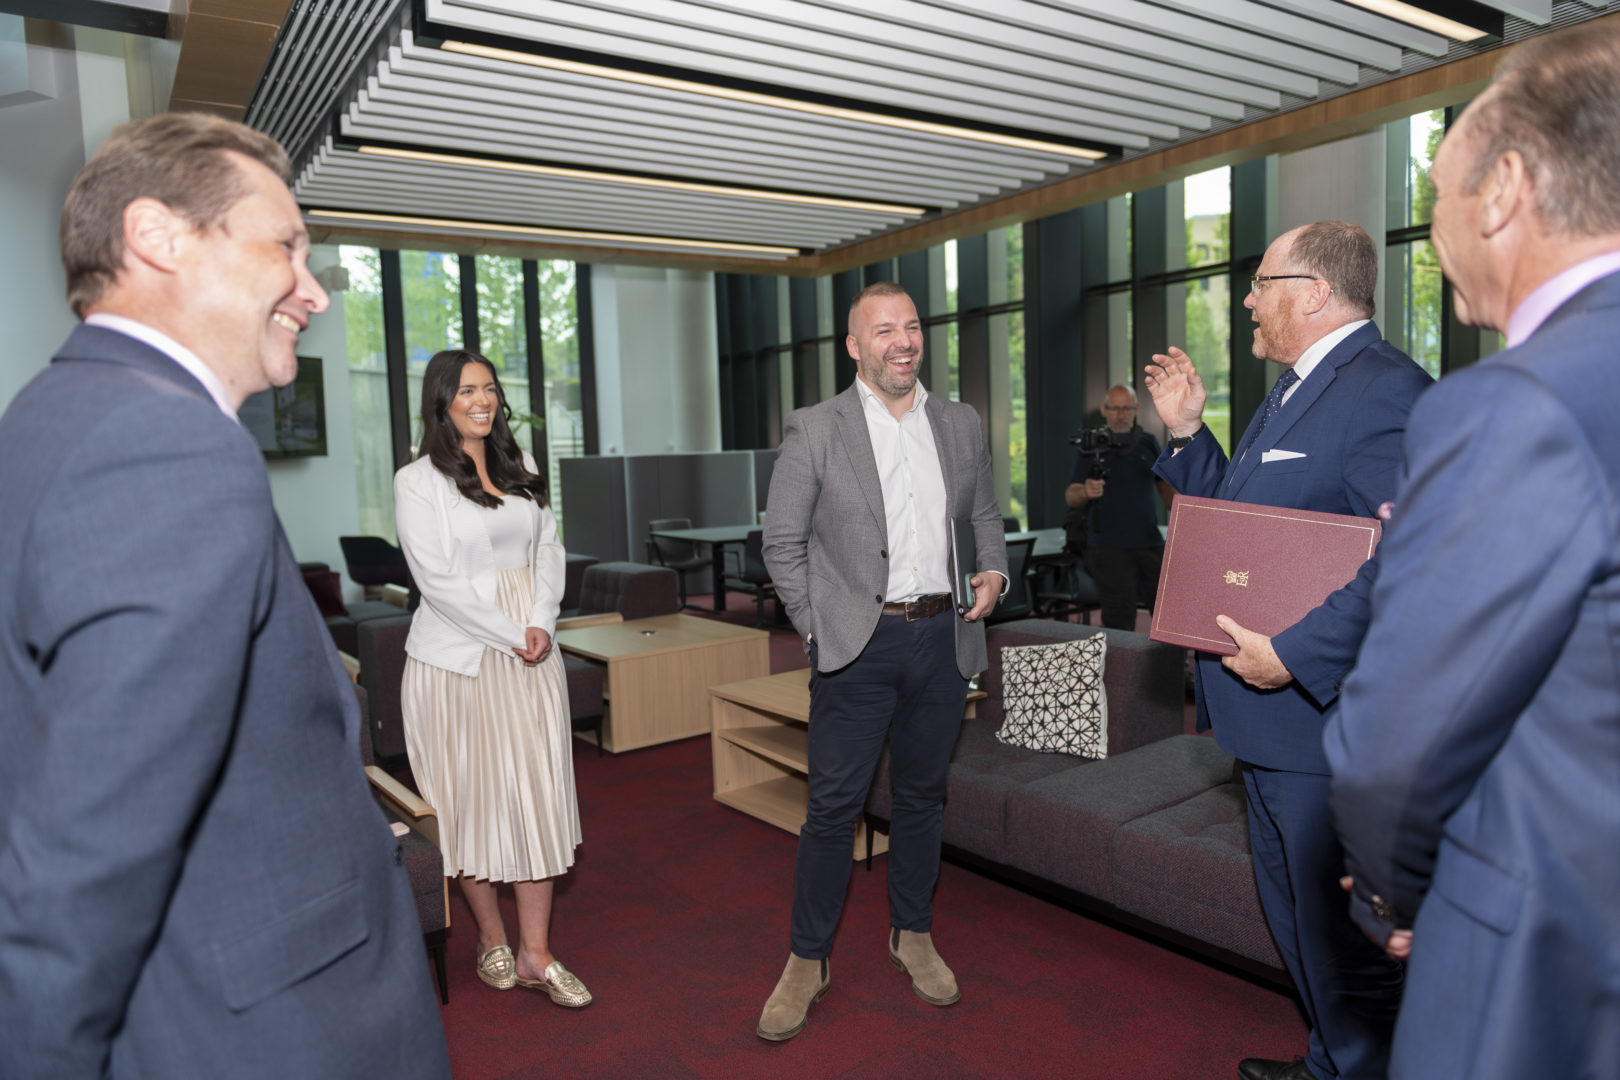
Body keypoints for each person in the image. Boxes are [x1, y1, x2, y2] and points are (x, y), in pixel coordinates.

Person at [0, 113, 449, 1078]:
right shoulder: (165, 444)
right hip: (265, 1029)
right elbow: (88, 848)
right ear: (156, 236)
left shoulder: (48, 419)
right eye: (286, 246)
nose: (315, 291)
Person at [1325, 26, 1620, 1080]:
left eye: (1440, 190)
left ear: (1501, 191)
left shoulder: (1519, 406)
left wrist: (1392, 889)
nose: (1433, 221)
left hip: (1547, 953)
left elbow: (1396, 748)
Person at [1145, 220, 1431, 1080]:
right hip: (1262, 729)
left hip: (1319, 726)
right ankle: (1328, 1061)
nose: (1247, 301)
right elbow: (1245, 531)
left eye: (1262, 283)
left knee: (1343, 945)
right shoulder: (1298, 387)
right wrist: (1192, 437)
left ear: (1313, 292)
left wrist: (1297, 656)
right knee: (1301, 923)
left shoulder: (1386, 391)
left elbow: (1413, 557)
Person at [756, 282, 1008, 1041]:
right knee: (833, 812)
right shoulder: (815, 428)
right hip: (855, 648)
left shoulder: (960, 423)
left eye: (911, 327)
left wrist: (993, 572)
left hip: (942, 639)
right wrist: (818, 630)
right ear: (855, 347)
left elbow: (986, 516)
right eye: (884, 330)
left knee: (924, 799)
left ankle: (912, 932)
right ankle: (808, 959)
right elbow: (782, 543)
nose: (903, 341)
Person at [393, 349, 590, 1008]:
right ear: (441, 401)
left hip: (531, 653)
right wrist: (511, 633)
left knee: (536, 795)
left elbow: (549, 548)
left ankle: (537, 953)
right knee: (469, 801)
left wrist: (539, 619)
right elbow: (438, 583)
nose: (483, 400)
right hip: (457, 660)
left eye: (490, 389)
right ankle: (491, 937)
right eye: (467, 390)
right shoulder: (416, 481)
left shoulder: (521, 465)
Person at [1064, 384, 1175, 629]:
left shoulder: (1148, 442)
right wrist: (1085, 491)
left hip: (1149, 542)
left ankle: (1170, 669)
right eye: (1115, 408)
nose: (1120, 414)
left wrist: (1186, 512)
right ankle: (1123, 668)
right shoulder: (1092, 443)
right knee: (1119, 620)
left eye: (1126, 408)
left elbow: (1164, 486)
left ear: (1136, 409)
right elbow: (1071, 496)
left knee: (1168, 616)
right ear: (1105, 409)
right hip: (1107, 548)